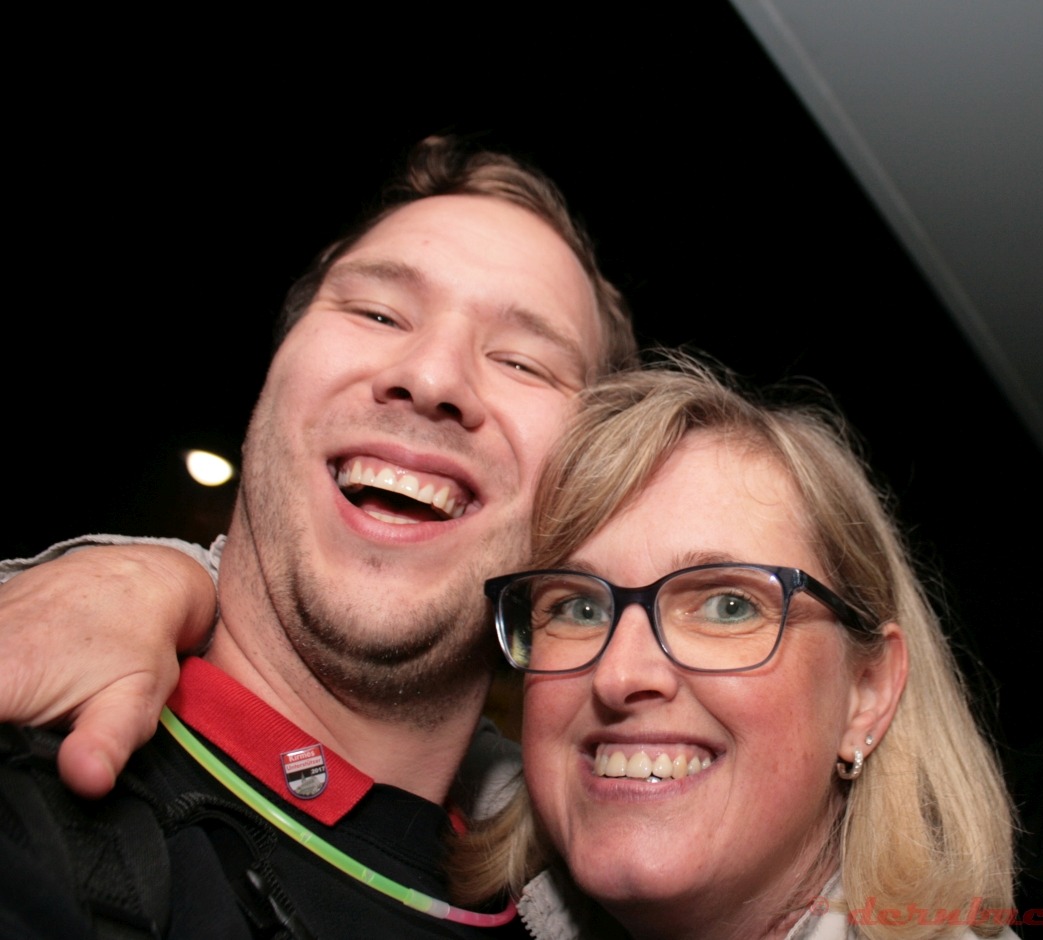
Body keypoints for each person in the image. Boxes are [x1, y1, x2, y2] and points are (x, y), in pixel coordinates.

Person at [1, 133, 634, 938]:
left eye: (521, 362)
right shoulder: (35, 795)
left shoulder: (599, 905)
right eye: (378, 313)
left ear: (585, 496)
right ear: (274, 377)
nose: (431, 376)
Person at [448, 363, 1016, 939]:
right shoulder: (448, 802)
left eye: (728, 606)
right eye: (579, 608)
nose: (619, 675)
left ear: (866, 693)